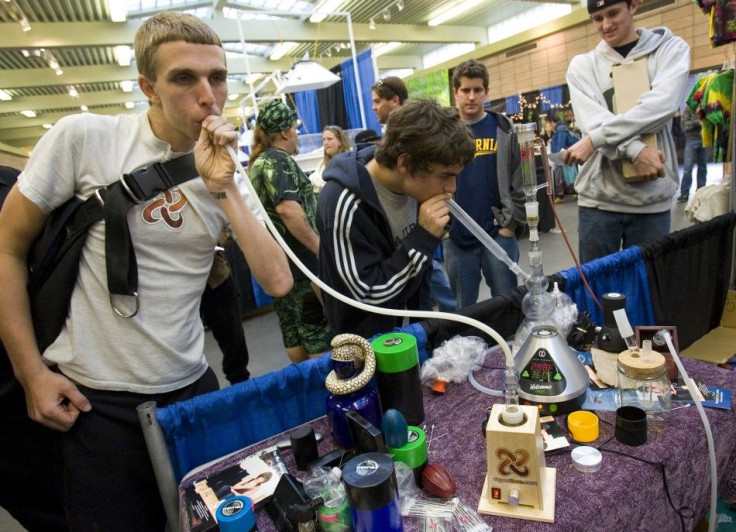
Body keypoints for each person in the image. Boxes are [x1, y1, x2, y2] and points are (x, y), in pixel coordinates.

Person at [0, 11, 292, 531]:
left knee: (217, 522)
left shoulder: (228, 170)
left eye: (217, 77)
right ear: (147, 87)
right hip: (94, 401)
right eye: (184, 78)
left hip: (189, 388)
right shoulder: (85, 139)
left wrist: (224, 186)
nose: (208, 94)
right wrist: (30, 373)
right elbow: (7, 248)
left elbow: (277, 281)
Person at [317, 100, 475, 337]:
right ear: (405, 162)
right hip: (365, 342)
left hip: (410, 328)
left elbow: (420, 273)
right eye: (444, 176)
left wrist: (423, 329)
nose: (451, 188)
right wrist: (422, 238)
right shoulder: (342, 201)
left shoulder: (418, 186)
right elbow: (367, 293)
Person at [563, 0, 690, 263]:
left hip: (651, 200)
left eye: (613, 13)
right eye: (597, 18)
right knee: (597, 291)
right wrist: (636, 150)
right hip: (599, 201)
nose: (606, 25)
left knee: (647, 289)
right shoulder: (582, 66)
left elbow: (660, 107)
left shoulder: (670, 50)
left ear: (634, 6)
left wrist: (597, 139)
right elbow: (592, 120)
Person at [249, 100, 332, 363]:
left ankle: (307, 394)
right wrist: (320, 249)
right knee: (316, 330)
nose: (297, 134)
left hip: (279, 264)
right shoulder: (278, 160)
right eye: (295, 129)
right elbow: (288, 210)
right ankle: (326, 392)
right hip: (301, 265)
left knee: (293, 331)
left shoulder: (259, 162)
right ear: (285, 132)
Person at [444, 59, 525, 308]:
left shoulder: (502, 127)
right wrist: (445, 230)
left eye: (478, 90)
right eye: (465, 90)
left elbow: (518, 178)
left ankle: (510, 346)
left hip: (498, 233)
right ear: (455, 93)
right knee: (462, 308)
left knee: (508, 302)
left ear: (486, 92)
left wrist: (510, 225)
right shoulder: (442, 130)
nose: (471, 96)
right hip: (456, 237)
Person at [677, 104, 708, 203]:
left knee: (703, 168)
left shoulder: (707, 106)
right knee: (688, 168)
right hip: (691, 140)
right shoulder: (689, 107)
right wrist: (697, 123)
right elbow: (683, 125)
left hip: (704, 139)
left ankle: (701, 191)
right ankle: (684, 193)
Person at [309, 125, 350, 194]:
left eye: (329, 139)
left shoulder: (348, 161)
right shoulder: (322, 163)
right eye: (324, 139)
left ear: (340, 141)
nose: (326, 143)